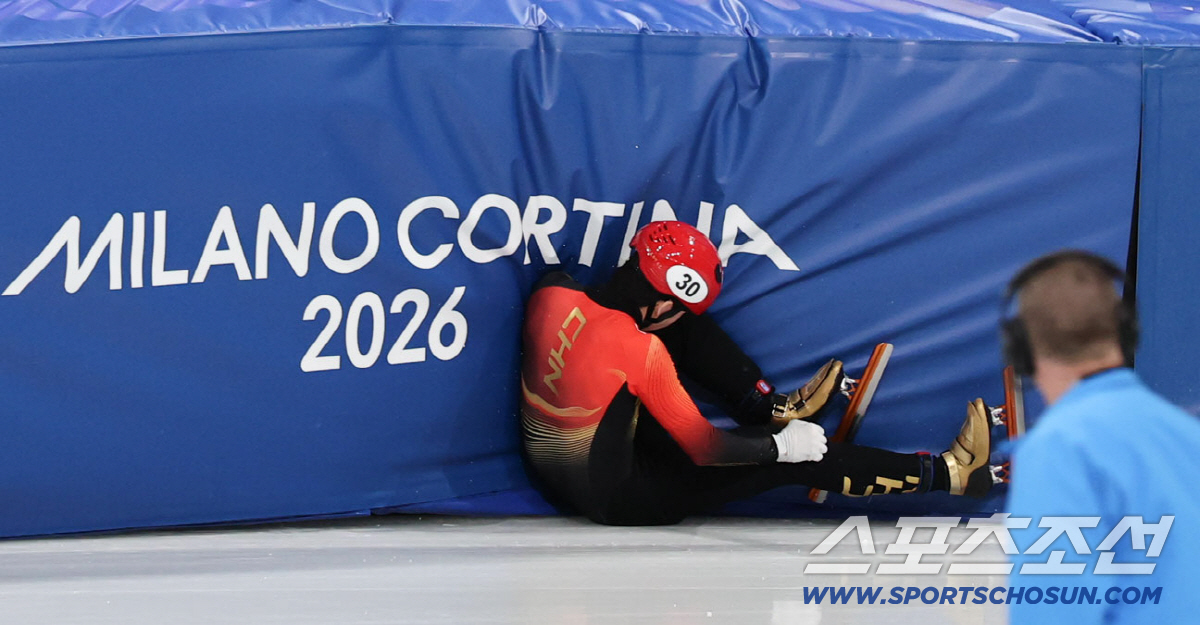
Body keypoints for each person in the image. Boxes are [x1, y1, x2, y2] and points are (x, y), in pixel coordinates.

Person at [519, 220, 994, 525]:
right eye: (679, 306)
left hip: (558, 469)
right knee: (797, 460)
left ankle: (771, 407)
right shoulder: (642, 351)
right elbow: (705, 449)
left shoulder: (552, 291)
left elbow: (626, 336)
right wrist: (780, 447)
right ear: (663, 301)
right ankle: (949, 474)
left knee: (677, 333)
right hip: (621, 498)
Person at [1003, 250, 1200, 624]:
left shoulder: (1059, 447)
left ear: (1021, 349)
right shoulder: (1189, 436)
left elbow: (1055, 611)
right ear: (1128, 332)